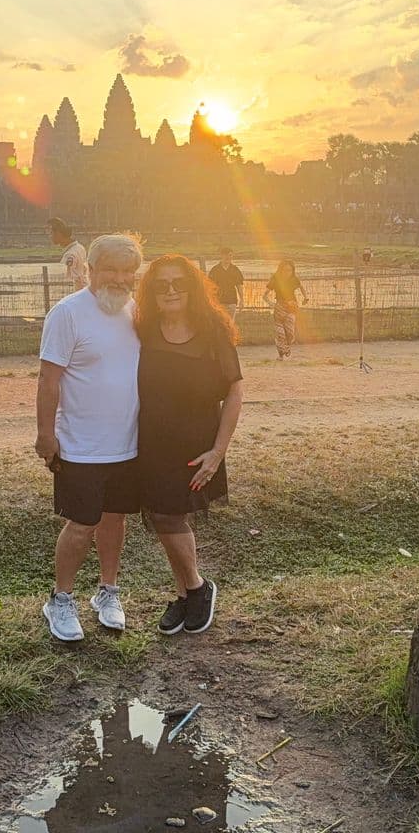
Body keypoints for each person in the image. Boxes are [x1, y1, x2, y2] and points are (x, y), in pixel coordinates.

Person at [35, 232, 144, 642]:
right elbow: (48, 379)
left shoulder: (136, 311)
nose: (120, 278)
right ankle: (60, 599)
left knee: (114, 519)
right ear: (91, 269)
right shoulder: (67, 313)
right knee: (81, 524)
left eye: (128, 271)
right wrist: (45, 435)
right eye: (111, 269)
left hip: (127, 443)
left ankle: (107, 592)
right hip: (80, 445)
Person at [135, 254, 243, 636]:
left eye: (179, 283)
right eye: (161, 284)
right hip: (150, 444)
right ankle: (186, 593)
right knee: (163, 516)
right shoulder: (143, 330)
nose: (170, 291)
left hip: (197, 447)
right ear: (151, 291)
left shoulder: (213, 331)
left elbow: (235, 391)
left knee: (170, 517)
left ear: (193, 287)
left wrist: (218, 452)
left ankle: (196, 588)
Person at [264, 258, 306, 360]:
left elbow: (301, 287)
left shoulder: (294, 279)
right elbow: (264, 295)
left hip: (292, 307)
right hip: (279, 307)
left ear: (292, 271)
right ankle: (281, 355)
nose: (287, 272)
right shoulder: (275, 279)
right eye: (285, 270)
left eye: (290, 270)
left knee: (290, 333)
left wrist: (306, 298)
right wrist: (270, 303)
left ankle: (285, 347)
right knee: (280, 334)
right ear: (281, 270)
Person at [51, 218, 89, 294]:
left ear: (58, 234)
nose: (50, 236)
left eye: (51, 233)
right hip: (85, 289)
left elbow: (68, 278)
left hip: (76, 292)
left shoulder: (69, 255)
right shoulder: (80, 247)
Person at [208, 246, 244, 323]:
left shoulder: (235, 270)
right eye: (226, 255)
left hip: (232, 301)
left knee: (230, 323)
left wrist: (242, 300)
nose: (228, 257)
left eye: (230, 255)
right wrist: (210, 300)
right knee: (219, 322)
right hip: (219, 301)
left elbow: (239, 285)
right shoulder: (215, 269)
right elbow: (210, 286)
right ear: (221, 255)